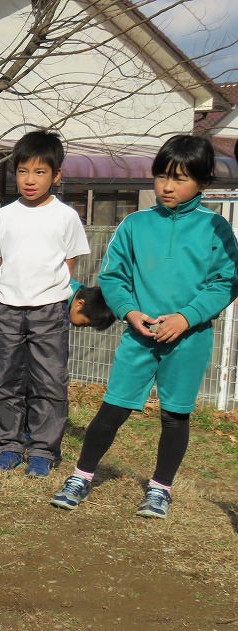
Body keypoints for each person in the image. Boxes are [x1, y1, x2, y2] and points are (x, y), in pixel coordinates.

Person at [51, 135, 238, 519]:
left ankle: (159, 489)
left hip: (190, 339)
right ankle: (82, 476)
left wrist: (186, 317)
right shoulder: (135, 224)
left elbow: (227, 281)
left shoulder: (215, 228)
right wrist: (129, 312)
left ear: (202, 183)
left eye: (181, 178)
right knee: (113, 409)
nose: (167, 187)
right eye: (162, 176)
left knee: (175, 415)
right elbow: (114, 277)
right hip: (139, 337)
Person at [0, 130, 90, 477]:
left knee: (49, 380)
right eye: (23, 171)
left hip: (50, 310)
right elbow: (3, 260)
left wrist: (48, 293)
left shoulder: (66, 216)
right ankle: (8, 445)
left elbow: (69, 263)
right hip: (6, 307)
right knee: (4, 379)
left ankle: (43, 449)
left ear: (56, 176)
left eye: (40, 172)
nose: (30, 180)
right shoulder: (2, 216)